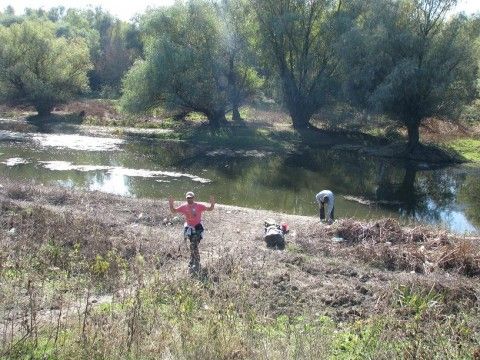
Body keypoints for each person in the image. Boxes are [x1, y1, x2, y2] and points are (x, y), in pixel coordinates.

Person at [169, 191, 215, 273]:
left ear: (194, 198)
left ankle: (196, 261)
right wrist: (171, 203)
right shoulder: (184, 206)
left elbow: (210, 209)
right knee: (192, 244)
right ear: (186, 198)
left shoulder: (199, 206)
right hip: (189, 228)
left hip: (197, 228)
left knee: (194, 244)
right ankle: (192, 259)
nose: (189, 199)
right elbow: (174, 211)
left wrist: (212, 203)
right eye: (188, 198)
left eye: (191, 198)